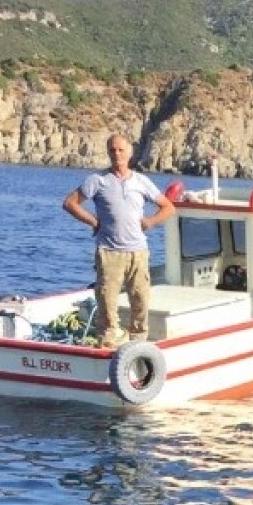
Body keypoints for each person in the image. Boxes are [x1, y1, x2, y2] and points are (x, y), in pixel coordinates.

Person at [62, 134, 175, 348]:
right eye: (112, 150)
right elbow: (70, 203)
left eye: (121, 150)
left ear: (130, 153)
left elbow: (168, 207)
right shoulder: (97, 180)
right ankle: (107, 341)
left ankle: (138, 342)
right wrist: (93, 222)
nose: (117, 154)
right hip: (109, 252)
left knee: (140, 300)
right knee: (107, 302)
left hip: (138, 253)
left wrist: (151, 221)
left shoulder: (141, 181)